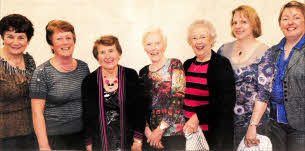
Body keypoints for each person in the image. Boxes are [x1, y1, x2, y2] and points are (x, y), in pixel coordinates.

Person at [217, 5, 274, 149]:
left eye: (243, 22)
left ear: (253, 24)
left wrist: (253, 126)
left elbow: (264, 92)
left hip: (254, 125)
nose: (238, 26)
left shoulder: (264, 51)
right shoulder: (223, 50)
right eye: (234, 22)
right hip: (226, 124)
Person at [29, 20, 90, 150]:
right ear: (51, 45)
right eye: (59, 39)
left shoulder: (83, 67)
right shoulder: (42, 72)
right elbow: (37, 113)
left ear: (74, 41)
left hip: (81, 136)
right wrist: (44, 145)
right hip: (55, 138)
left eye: (68, 38)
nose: (65, 42)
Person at [82, 35, 145, 151]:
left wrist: (138, 140)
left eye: (111, 51)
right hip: (100, 144)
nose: (108, 56)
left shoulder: (130, 75)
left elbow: (139, 111)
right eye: (102, 52)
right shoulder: (89, 81)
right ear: (97, 57)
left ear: (119, 53)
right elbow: (87, 117)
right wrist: (88, 145)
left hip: (129, 143)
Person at [183, 19, 236, 151]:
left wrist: (197, 116)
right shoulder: (187, 65)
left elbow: (225, 102)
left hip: (213, 134)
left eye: (203, 37)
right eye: (194, 38)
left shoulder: (221, 64)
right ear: (190, 42)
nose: (198, 41)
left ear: (212, 40)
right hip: (189, 132)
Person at [139, 27, 186, 150]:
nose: (153, 48)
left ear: (164, 45)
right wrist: (148, 132)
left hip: (173, 134)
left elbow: (178, 98)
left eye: (157, 43)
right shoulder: (143, 72)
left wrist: (159, 131)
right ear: (144, 48)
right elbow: (140, 106)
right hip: (150, 136)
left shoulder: (175, 64)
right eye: (149, 44)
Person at [267, 1, 305, 151]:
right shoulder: (272, 52)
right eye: (285, 18)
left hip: (301, 127)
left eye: (296, 17)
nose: (290, 22)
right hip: (274, 125)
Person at [0, 14, 36, 151]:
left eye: (21, 37)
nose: (15, 42)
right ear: (3, 37)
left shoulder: (29, 61)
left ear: (28, 40)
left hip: (30, 133)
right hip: (4, 137)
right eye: (10, 36)